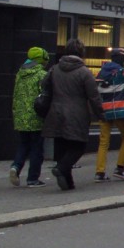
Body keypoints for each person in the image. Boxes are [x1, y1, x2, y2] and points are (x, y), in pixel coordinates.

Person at [41, 38, 101, 190]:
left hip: (55, 113)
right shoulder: (84, 72)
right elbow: (93, 96)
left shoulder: (54, 69)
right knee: (78, 146)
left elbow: (45, 87)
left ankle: (68, 183)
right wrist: (100, 113)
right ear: (81, 52)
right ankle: (61, 170)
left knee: (61, 147)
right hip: (77, 114)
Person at [94, 48, 124, 182]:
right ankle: (120, 168)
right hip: (119, 110)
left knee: (103, 141)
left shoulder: (101, 72)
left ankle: (100, 172)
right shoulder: (123, 72)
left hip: (104, 111)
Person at [9, 46, 50, 187]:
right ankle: (33, 178)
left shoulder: (20, 74)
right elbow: (44, 96)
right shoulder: (41, 75)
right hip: (36, 117)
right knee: (37, 149)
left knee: (23, 145)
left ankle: (16, 166)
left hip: (21, 116)